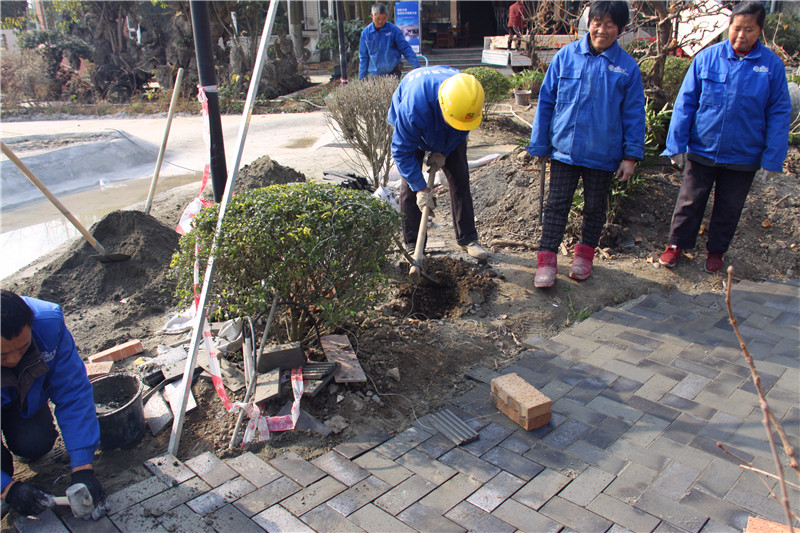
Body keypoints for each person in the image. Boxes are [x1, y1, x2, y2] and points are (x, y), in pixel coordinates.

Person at [659, 1, 791, 273]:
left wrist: (772, 157)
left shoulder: (771, 67)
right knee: (689, 201)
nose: (741, 35)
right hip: (703, 148)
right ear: (729, 27)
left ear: (760, 31)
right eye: (737, 28)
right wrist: (677, 144)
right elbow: (686, 103)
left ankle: (716, 251)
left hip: (744, 154)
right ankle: (676, 245)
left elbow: (779, 113)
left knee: (729, 207)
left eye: (749, 30)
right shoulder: (707, 59)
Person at [527, 0, 645, 287]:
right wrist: (540, 145)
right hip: (565, 151)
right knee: (556, 205)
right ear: (588, 22)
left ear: (620, 29)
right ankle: (546, 261)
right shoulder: (566, 57)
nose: (601, 30)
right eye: (597, 22)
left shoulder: (626, 68)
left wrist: (630, 157)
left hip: (603, 154)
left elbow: (633, 115)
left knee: (594, 208)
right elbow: (547, 103)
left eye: (609, 25)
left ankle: (584, 257)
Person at [1, 290, 107, 520]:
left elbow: (73, 393)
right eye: (3, 356)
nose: (14, 359)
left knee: (36, 442)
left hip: (19, 397)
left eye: (22, 348)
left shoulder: (47, 325)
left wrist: (83, 468)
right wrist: (7, 488)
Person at [388, 65, 489, 260]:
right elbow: (401, 151)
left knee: (460, 177)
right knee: (408, 187)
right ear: (442, 104)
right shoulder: (413, 108)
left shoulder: (468, 100)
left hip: (451, 124)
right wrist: (420, 188)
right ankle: (413, 245)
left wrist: (444, 151)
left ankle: (468, 238)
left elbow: (461, 130)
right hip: (416, 125)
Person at [359, 3, 421, 80]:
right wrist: (361, 78)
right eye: (377, 18)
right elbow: (363, 57)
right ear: (372, 15)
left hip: (393, 73)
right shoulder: (366, 33)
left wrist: (417, 68)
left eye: (384, 18)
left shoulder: (394, 30)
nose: (381, 21)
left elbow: (405, 49)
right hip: (375, 75)